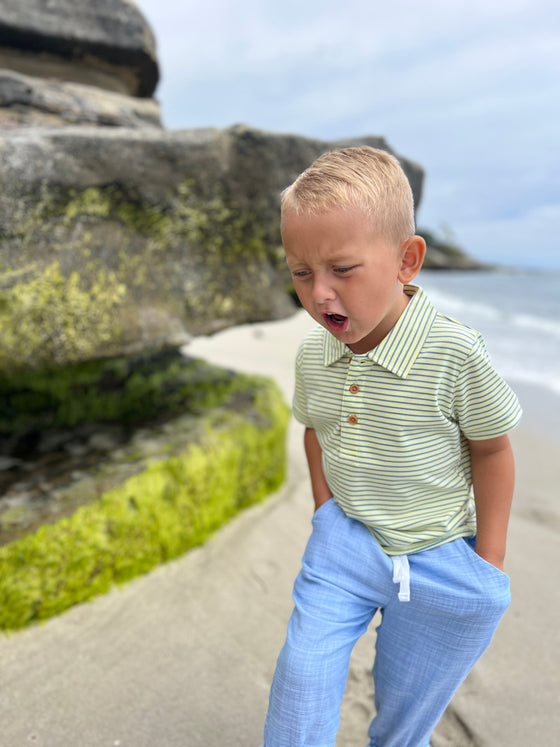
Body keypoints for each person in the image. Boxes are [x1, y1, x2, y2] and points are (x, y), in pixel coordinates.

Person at [261, 146, 522, 747]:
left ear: (407, 260)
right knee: (301, 676)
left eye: (342, 270)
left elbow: (492, 449)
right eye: (301, 273)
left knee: (406, 711)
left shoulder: (454, 354)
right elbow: (314, 429)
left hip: (440, 554)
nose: (319, 293)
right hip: (345, 544)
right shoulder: (313, 354)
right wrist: (326, 514)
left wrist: (490, 560)